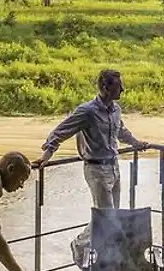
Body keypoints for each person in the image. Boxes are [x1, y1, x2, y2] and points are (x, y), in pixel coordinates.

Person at [37, 69, 152, 260]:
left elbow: (121, 131)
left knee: (112, 214)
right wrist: (46, 155)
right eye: (118, 86)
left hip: (114, 166)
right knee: (107, 217)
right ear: (105, 87)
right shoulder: (87, 111)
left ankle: (105, 255)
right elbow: (60, 132)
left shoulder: (116, 110)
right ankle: (81, 245)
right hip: (96, 169)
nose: (123, 89)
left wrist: (136, 144)